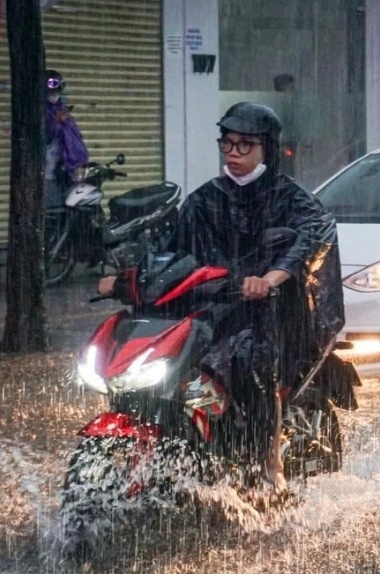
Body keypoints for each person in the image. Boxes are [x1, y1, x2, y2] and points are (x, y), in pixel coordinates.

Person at [97, 101, 344, 491]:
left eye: (245, 145)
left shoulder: (291, 198)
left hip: (271, 311)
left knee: (252, 362)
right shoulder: (205, 198)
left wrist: (270, 278)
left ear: (268, 148)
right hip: (210, 305)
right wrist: (122, 277)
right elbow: (166, 243)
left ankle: (269, 464)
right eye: (227, 144)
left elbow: (310, 240)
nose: (234, 153)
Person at [44, 70, 90, 208]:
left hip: (69, 173)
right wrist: (55, 122)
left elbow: (74, 137)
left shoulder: (62, 109)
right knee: (54, 212)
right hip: (50, 173)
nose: (55, 96)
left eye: (57, 93)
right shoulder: (43, 112)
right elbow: (45, 137)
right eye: (52, 93)